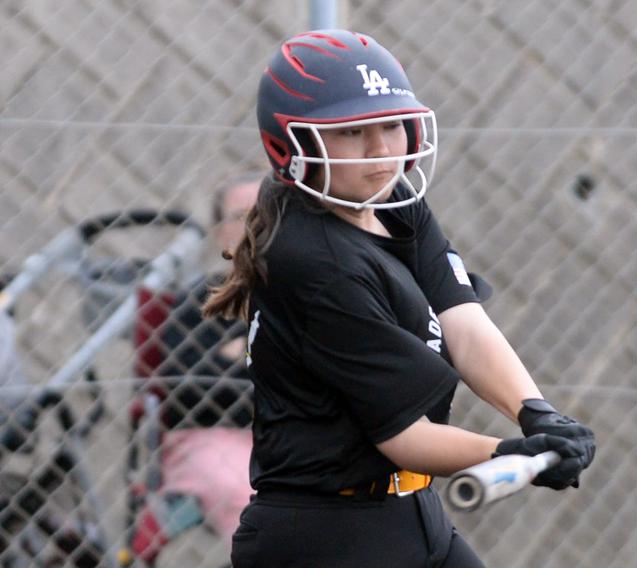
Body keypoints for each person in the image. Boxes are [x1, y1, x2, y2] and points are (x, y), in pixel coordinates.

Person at [204, 29, 596, 568]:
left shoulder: (391, 198)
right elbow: (403, 436)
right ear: (292, 148)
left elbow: (462, 318)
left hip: (412, 516)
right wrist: (506, 453)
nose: (382, 151)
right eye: (352, 133)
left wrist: (537, 415)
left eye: (391, 125)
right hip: (325, 539)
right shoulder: (315, 262)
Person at [130, 174, 261, 563]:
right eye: (242, 215)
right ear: (222, 232)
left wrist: (241, 356)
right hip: (210, 437)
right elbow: (187, 387)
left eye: (267, 212)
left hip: (294, 435)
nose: (256, 225)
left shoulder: (311, 292)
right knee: (248, 492)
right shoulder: (203, 300)